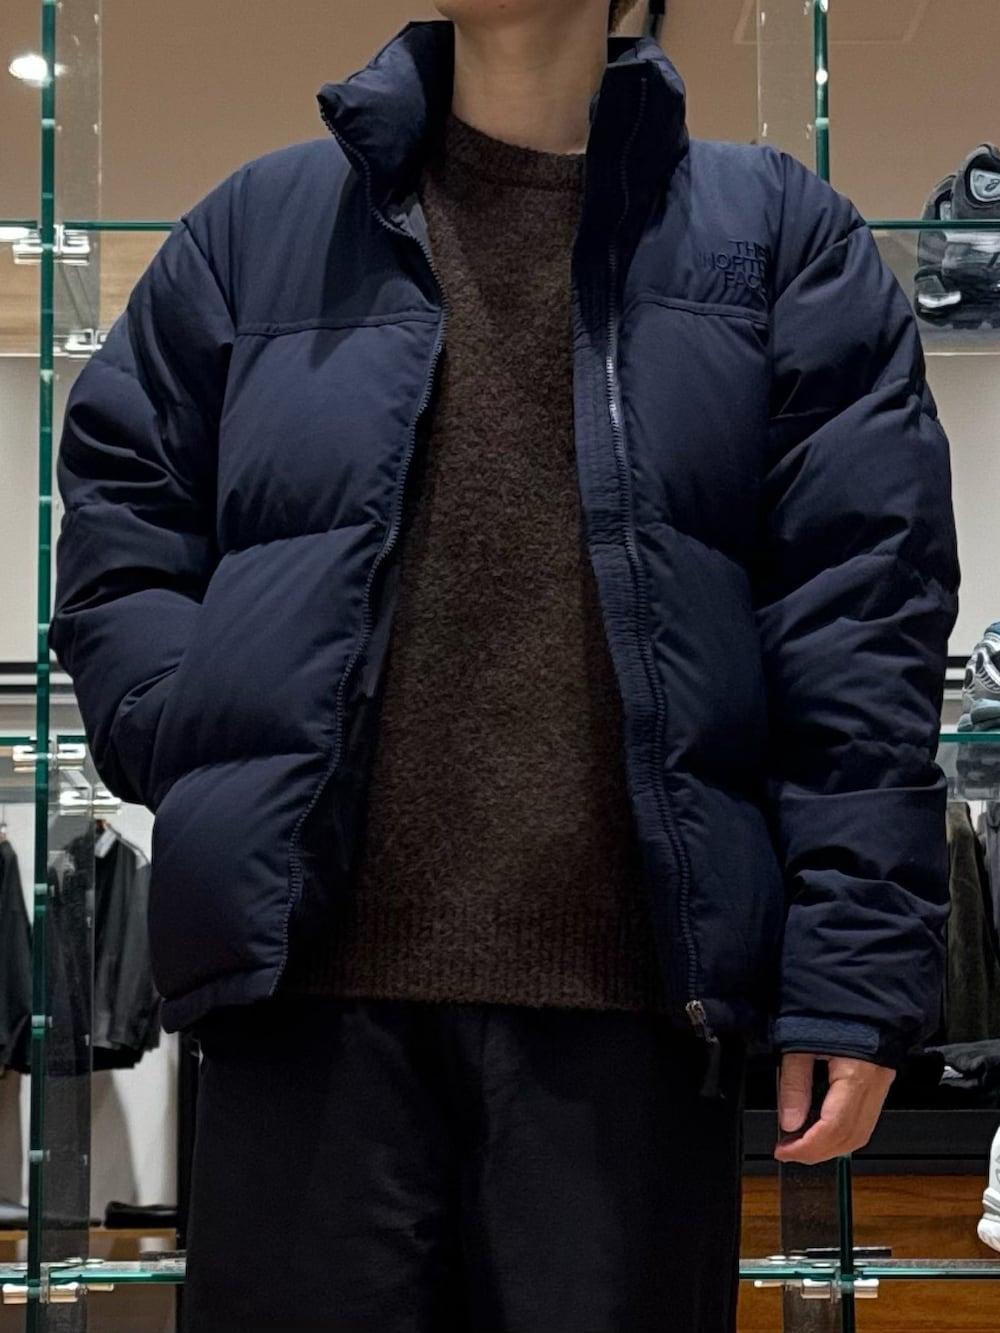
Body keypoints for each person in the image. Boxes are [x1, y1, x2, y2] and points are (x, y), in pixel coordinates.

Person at [49, 1, 960, 1330]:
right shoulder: (256, 230)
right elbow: (123, 521)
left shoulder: (778, 239)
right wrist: (193, 730)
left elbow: (863, 620)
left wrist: (854, 969)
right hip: (301, 1012)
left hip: (630, 1024)